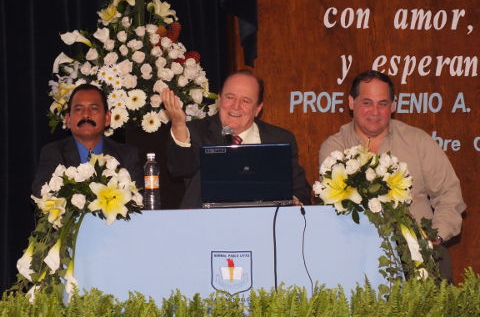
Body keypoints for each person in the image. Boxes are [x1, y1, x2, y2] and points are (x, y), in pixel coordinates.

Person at [319, 70, 466, 280]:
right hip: (356, 256)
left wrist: (434, 236)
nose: (375, 111)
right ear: (351, 102)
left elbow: (449, 194)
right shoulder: (334, 148)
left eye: (383, 103)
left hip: (422, 254)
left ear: (393, 106)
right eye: (367, 102)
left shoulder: (418, 141)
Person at [164, 69, 311, 208]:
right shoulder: (196, 132)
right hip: (207, 227)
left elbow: (300, 190)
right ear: (220, 99)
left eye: (246, 101)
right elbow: (180, 168)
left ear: (258, 109)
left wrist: (293, 201)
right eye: (230, 97)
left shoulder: (279, 138)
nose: (235, 106)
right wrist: (178, 125)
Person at [32, 84, 143, 196]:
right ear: (68, 120)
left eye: (94, 108)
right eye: (79, 109)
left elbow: (138, 198)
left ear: (107, 118)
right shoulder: (54, 153)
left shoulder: (126, 155)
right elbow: (41, 194)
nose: (86, 115)